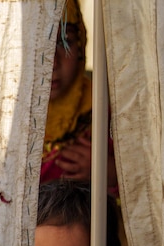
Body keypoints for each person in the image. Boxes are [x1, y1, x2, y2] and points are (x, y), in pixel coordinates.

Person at [40, 0, 117, 191]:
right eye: (37, 46)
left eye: (64, 42)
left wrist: (111, 174)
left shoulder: (109, 115)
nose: (51, 62)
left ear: (82, 45)